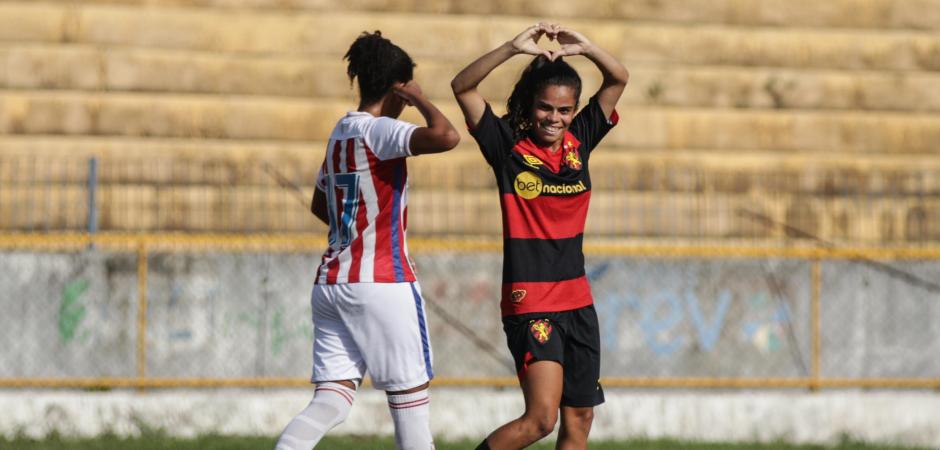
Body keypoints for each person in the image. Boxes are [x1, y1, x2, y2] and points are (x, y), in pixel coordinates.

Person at [275, 31, 459, 450]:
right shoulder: (381, 132)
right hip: (383, 282)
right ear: (398, 88)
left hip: (332, 282)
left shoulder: (340, 132)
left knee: (330, 402)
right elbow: (447, 136)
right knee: (411, 406)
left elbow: (321, 206)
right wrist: (421, 98)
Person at [451, 23, 628, 450]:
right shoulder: (507, 146)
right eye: (546, 108)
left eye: (564, 110)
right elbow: (462, 86)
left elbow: (618, 78)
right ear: (531, 106)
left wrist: (586, 48)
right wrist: (512, 48)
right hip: (532, 303)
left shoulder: (580, 141)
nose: (555, 118)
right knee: (540, 419)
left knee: (579, 418)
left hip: (578, 301)